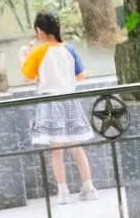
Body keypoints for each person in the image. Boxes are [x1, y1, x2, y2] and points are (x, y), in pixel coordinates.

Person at [23, 11, 98, 203]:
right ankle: (89, 187)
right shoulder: (69, 49)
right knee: (76, 146)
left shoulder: (38, 52)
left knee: (56, 150)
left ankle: (63, 192)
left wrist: (24, 57)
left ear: (39, 31)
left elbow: (27, 77)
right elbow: (81, 75)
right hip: (70, 99)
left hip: (49, 102)